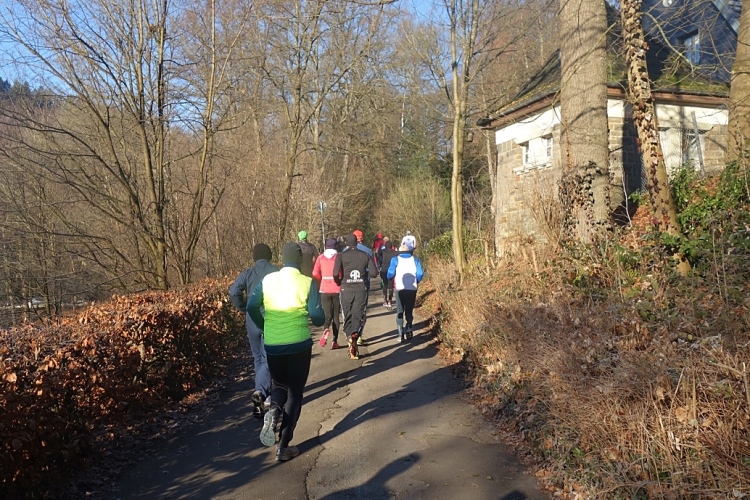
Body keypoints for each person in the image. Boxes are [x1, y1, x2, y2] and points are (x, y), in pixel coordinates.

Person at [246, 243, 324, 462]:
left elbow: (251, 306)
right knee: (295, 394)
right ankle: (283, 446)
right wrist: (317, 316)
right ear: (300, 260)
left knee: (279, 385)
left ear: (281, 258)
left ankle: (273, 411)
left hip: (273, 344)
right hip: (299, 345)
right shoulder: (307, 282)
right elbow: (318, 317)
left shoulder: (268, 280)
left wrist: (264, 325)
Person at [228, 243, 279, 418]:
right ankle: (262, 392)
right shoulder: (276, 271)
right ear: (270, 255)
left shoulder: (247, 273)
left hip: (252, 319)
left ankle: (264, 395)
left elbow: (233, 292)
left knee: (258, 358)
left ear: (254, 257)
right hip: (270, 317)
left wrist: (244, 308)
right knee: (269, 358)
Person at [333, 234, 378, 359]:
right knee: (358, 316)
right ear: (357, 242)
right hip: (361, 289)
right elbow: (374, 273)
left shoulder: (341, 255)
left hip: (346, 289)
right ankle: (354, 335)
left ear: (346, 243)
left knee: (347, 315)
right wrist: (364, 272)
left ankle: (349, 337)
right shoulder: (364, 255)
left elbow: (335, 273)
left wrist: (339, 282)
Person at [387, 244, 424, 342]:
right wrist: (416, 280)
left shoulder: (395, 259)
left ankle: (400, 334)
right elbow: (420, 273)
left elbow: (390, 273)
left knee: (400, 310)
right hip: (412, 288)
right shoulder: (415, 259)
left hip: (399, 288)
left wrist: (390, 278)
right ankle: (409, 327)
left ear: (399, 251)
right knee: (409, 310)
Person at [312, 238, 343, 350]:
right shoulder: (338, 257)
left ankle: (326, 328)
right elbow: (341, 272)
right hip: (337, 288)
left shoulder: (320, 257)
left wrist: (321, 279)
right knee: (335, 316)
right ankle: (335, 341)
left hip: (324, 288)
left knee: (327, 314)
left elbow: (314, 273)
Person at [351, 229, 376, 345]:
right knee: (362, 309)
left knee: (351, 309)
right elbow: (372, 270)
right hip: (363, 283)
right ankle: (359, 335)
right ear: (362, 238)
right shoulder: (368, 251)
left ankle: (350, 334)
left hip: (349, 284)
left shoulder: (345, 251)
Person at [379, 240, 398, 309]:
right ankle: (390, 300)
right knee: (391, 285)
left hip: (384, 270)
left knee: (385, 285)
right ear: (391, 246)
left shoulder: (383, 251)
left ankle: (385, 300)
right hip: (391, 270)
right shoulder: (394, 252)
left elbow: (378, 254)